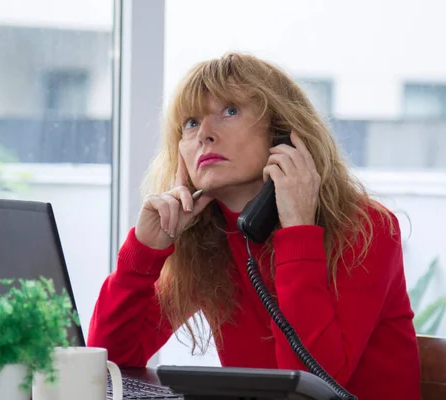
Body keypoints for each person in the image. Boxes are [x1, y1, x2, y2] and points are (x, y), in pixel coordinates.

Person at [87, 52, 421, 399]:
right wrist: (144, 253)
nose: (204, 134)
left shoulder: (367, 228)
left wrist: (297, 233)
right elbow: (107, 368)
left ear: (283, 134)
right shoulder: (208, 237)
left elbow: (314, 385)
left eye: (229, 111)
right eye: (190, 122)